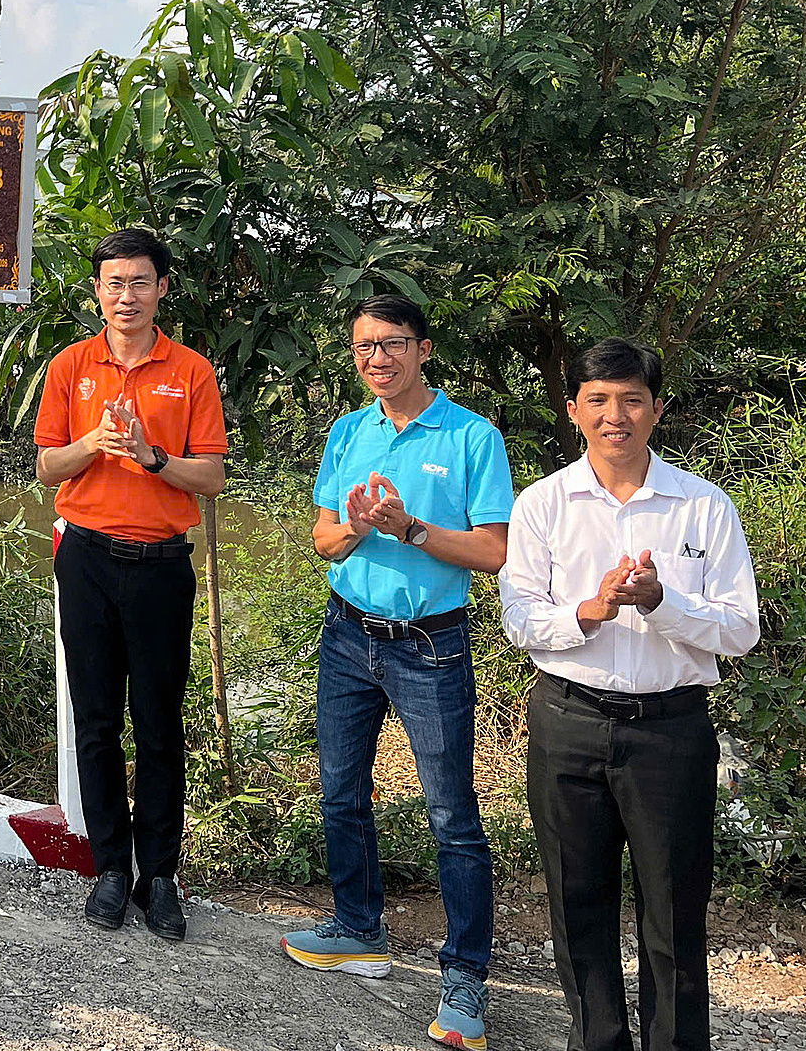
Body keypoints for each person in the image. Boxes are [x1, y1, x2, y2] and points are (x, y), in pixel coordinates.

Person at [499, 339, 759, 1051]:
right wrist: (591, 610)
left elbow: (740, 630)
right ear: (574, 409)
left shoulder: (702, 506)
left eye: (632, 400)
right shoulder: (543, 503)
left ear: (657, 409)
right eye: (599, 400)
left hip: (669, 731)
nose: (616, 416)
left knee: (674, 911)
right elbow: (520, 618)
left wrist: (660, 601)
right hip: (569, 721)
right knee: (577, 903)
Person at [280, 295, 513, 1051]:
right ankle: (358, 928)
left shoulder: (472, 436)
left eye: (392, 343)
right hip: (348, 635)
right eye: (363, 347)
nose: (377, 358)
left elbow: (493, 551)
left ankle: (465, 976)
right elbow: (323, 538)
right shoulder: (349, 431)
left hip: (429, 645)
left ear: (424, 349)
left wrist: (409, 528)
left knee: (452, 814)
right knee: (341, 792)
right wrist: (354, 529)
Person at [32, 227, 227, 940]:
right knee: (96, 721)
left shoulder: (191, 371)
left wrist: (152, 456)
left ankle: (161, 875)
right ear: (97, 291)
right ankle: (111, 867)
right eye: (114, 283)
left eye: (140, 281)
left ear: (162, 289)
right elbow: (47, 467)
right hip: (85, 559)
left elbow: (212, 476)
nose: (126, 296)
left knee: (160, 723)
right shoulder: (70, 365)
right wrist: (92, 444)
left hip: (161, 566)